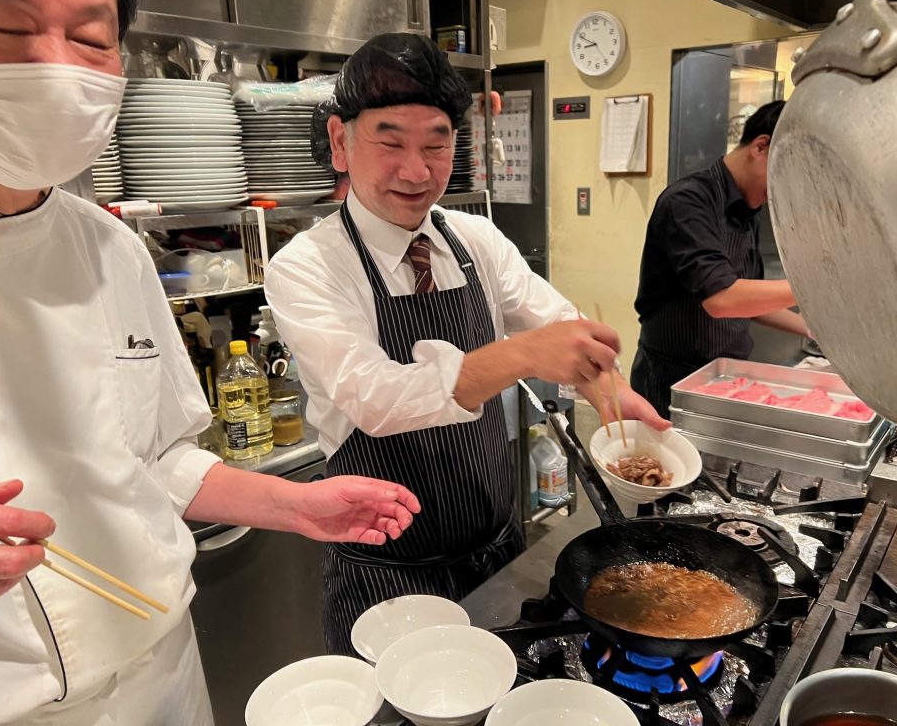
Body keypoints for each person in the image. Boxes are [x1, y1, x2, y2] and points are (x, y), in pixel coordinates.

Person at [0, 0, 420, 724]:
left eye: (89, 37)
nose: (54, 66)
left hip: (164, 661)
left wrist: (298, 506)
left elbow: (159, 456)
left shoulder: (111, 249)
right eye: (10, 27)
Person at [264, 32, 669, 656]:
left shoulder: (475, 240)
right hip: (387, 580)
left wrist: (610, 390)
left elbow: (554, 319)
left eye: (437, 143)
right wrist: (525, 353)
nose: (417, 171)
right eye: (391, 142)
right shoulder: (308, 266)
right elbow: (376, 399)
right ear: (341, 142)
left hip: (497, 553)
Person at [630, 101, 810, 417]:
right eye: (787, 175)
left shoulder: (748, 210)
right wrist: (815, 289)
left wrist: (812, 329)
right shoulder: (688, 201)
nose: (784, 191)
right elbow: (722, 299)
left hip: (726, 377)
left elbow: (748, 300)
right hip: (671, 381)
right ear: (761, 147)